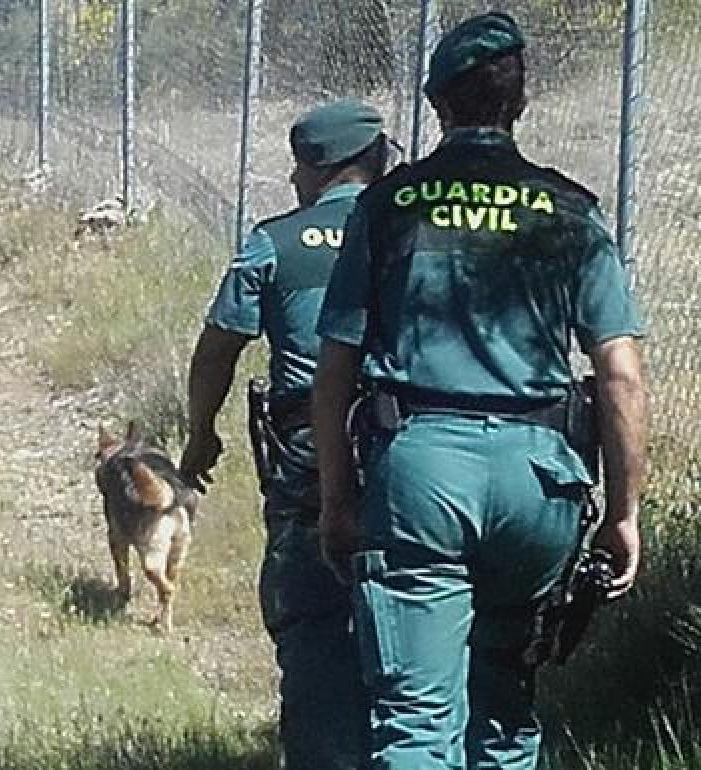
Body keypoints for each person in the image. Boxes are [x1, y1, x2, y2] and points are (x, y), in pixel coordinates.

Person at [312, 13, 647, 769]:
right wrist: (623, 514)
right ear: (519, 102)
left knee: (416, 722)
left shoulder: (391, 206)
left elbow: (336, 371)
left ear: (437, 103)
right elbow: (620, 375)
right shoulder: (570, 211)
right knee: (503, 713)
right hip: (541, 482)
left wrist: (336, 500)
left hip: (421, 478)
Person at [180, 99, 389, 770]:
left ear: (315, 168)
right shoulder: (412, 230)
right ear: (377, 161)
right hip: (410, 448)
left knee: (314, 628)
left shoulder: (275, 241)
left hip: (308, 457)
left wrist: (200, 433)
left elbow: (217, 349)